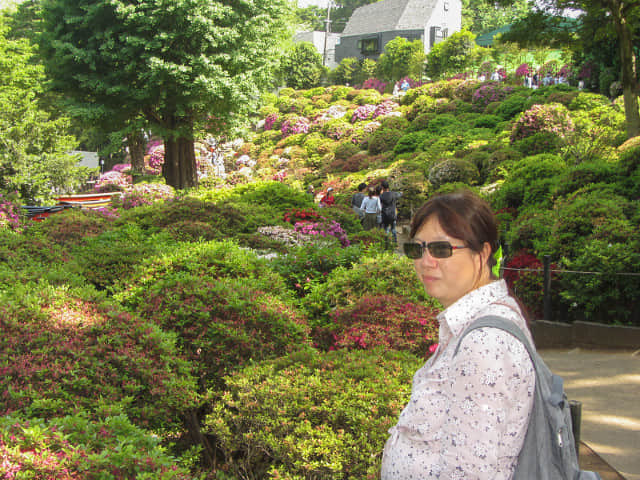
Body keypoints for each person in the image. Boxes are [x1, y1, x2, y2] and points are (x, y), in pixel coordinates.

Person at [381, 189, 535, 480]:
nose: (426, 261)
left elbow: (470, 473)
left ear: (484, 252)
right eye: (417, 249)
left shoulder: (484, 343)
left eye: (441, 249)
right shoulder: (469, 324)